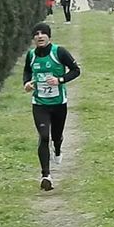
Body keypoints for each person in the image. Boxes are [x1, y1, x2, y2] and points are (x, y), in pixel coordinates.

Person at [23, 22, 81, 191]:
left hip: (58, 103)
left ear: (49, 36)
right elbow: (27, 71)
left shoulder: (59, 52)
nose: (40, 36)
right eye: (37, 33)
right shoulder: (31, 55)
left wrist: (60, 80)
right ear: (34, 38)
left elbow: (76, 70)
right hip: (39, 104)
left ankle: (58, 146)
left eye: (43, 33)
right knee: (43, 136)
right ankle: (46, 175)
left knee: (55, 136)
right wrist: (27, 83)